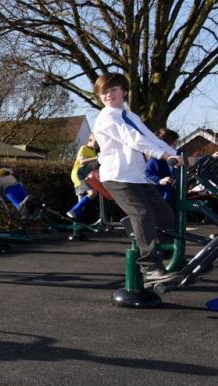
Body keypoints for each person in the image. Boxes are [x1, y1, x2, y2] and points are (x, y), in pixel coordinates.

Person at [92, 73, 183, 285]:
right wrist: (165, 156)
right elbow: (132, 139)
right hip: (117, 177)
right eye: (104, 92)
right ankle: (150, 268)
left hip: (137, 177)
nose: (108, 95)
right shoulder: (107, 118)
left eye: (113, 90)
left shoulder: (130, 115)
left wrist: (176, 155)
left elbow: (150, 138)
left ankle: (172, 257)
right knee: (142, 213)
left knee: (164, 213)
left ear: (123, 91)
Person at [66, 134, 100, 220]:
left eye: (98, 143)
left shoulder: (93, 151)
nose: (97, 144)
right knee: (93, 193)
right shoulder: (83, 148)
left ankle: (76, 231)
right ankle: (72, 210)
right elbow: (81, 161)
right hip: (78, 174)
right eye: (95, 142)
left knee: (80, 204)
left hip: (84, 175)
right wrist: (95, 158)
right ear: (90, 139)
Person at [145, 128, 180, 205]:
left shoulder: (172, 160)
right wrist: (159, 180)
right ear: (165, 145)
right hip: (163, 197)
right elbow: (147, 175)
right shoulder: (154, 161)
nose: (176, 148)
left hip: (172, 194)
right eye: (174, 145)